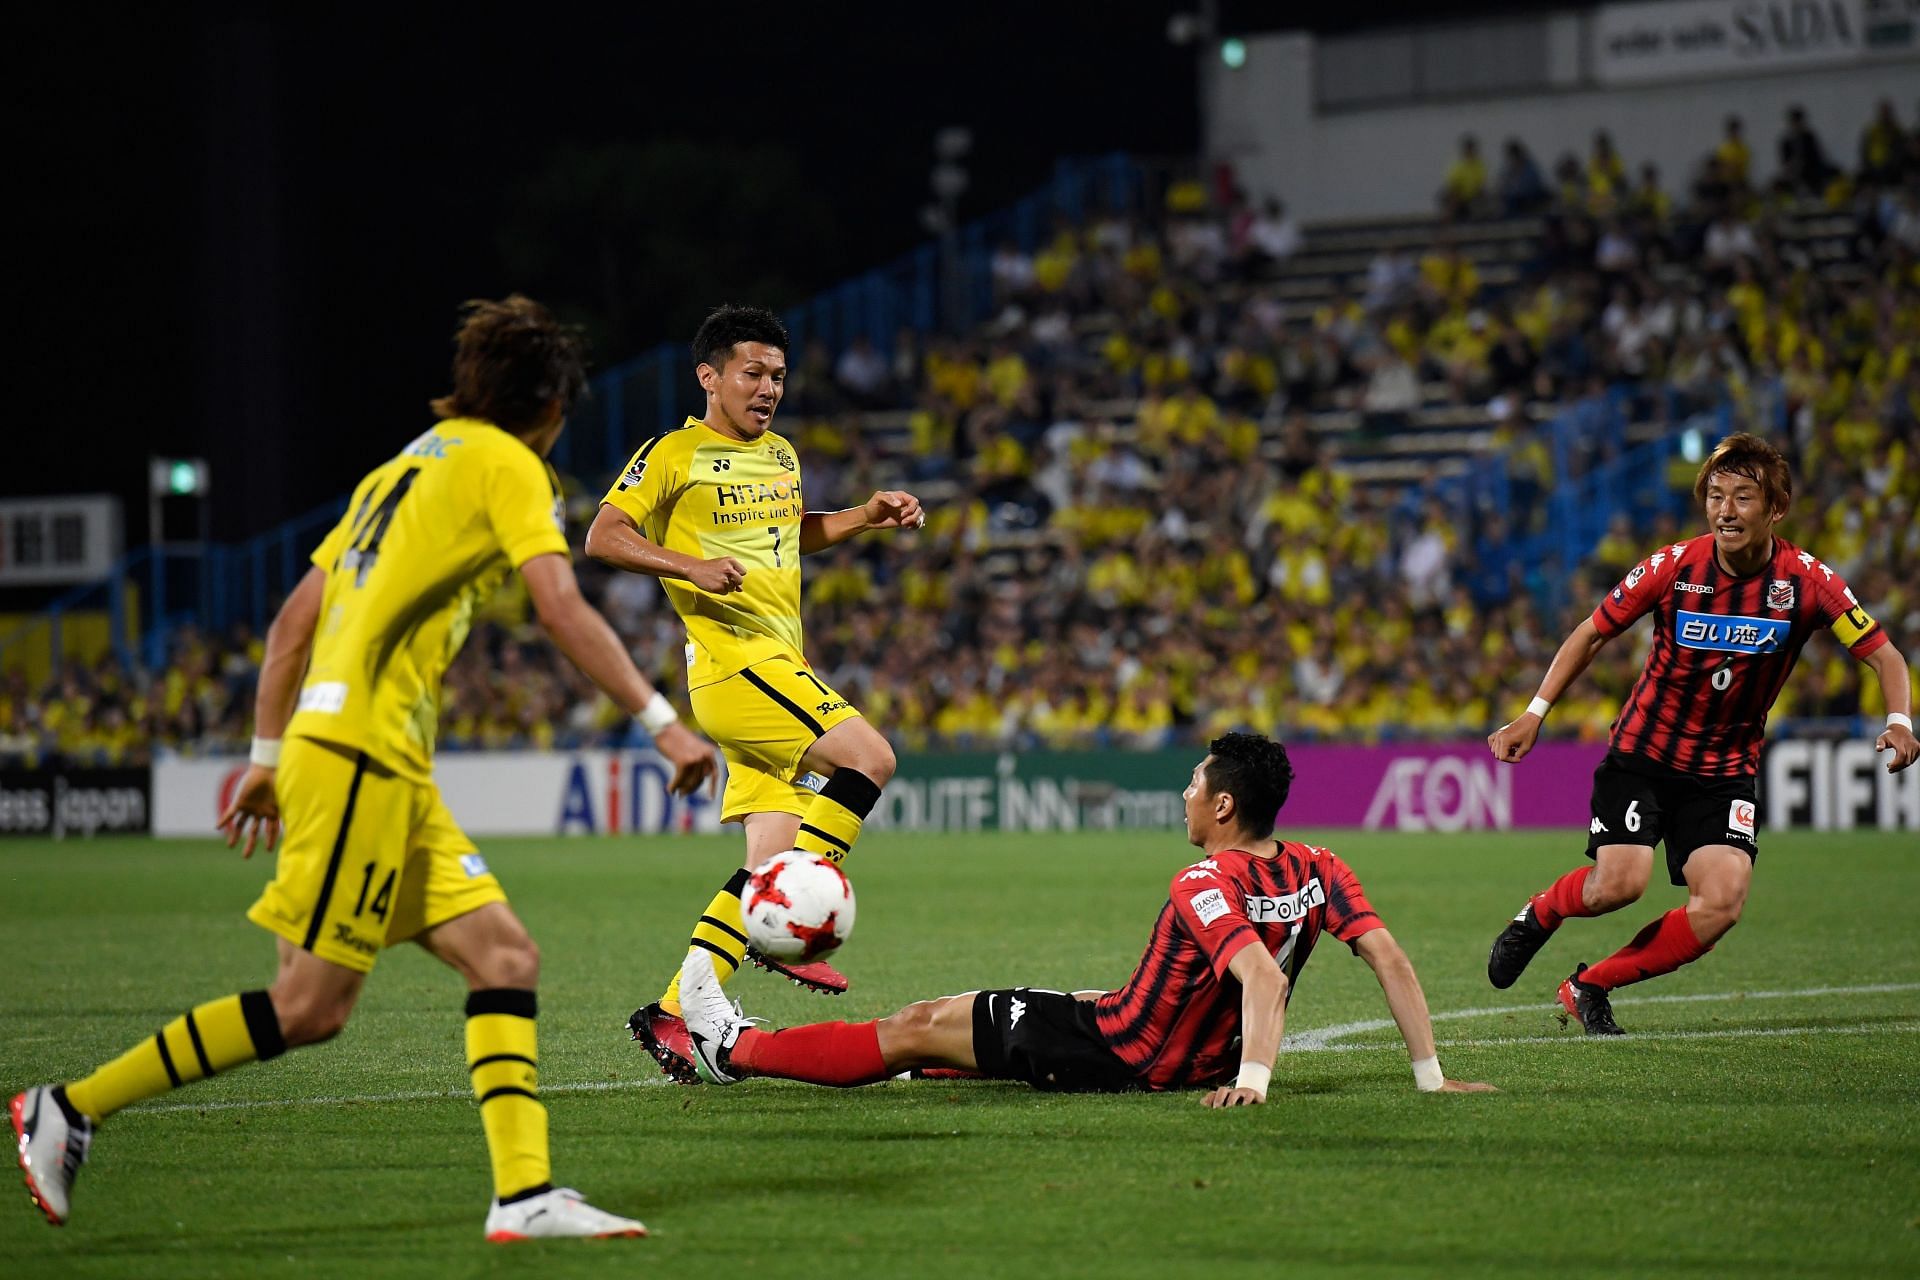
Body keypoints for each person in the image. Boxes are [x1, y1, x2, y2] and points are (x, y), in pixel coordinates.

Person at [9, 296, 720, 1241]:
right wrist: (660, 720)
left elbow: (291, 624)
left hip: (364, 762)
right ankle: (69, 1107)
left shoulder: (400, 470)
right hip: (360, 760)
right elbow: (557, 603)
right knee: (308, 1007)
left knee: (504, 956)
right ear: (549, 406)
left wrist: (265, 761)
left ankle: (526, 1195)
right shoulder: (511, 465)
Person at [676, 733, 1494, 1105]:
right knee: (956, 1043)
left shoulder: (1201, 881)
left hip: (1116, 1048)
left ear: (1222, 804)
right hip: (1183, 1055)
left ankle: (731, 1049)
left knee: (918, 1022)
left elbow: (1259, 977)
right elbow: (1389, 958)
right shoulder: (1322, 865)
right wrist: (1430, 1075)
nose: (1182, 795)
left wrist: (1253, 1085)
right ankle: (923, 1065)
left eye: (1192, 784)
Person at [584, 304, 924, 1083]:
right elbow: (603, 535)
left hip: (772, 666)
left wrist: (863, 517)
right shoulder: (673, 452)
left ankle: (675, 1016)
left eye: (777, 375)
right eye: (752, 373)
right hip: (738, 667)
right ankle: (795, 908)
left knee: (765, 859)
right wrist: (687, 564)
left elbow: (788, 533)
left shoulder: (781, 455)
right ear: (710, 376)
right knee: (871, 757)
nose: (768, 387)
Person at [1485, 433, 1917, 1034]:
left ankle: (1589, 986)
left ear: (1777, 508)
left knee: (1721, 903)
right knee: (1621, 884)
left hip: (1723, 773)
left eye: (1743, 497)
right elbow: (1590, 633)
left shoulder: (1808, 582)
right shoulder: (1672, 567)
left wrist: (1899, 722)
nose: (1725, 510)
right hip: (1644, 754)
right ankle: (1540, 915)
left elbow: (1885, 656)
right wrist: (1534, 711)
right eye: (1716, 495)